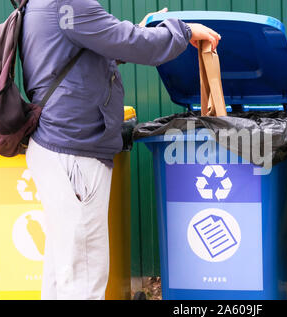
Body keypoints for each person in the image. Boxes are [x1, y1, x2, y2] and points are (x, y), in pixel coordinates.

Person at [21, 0, 220, 300]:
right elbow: (131, 43)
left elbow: (98, 47)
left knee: (64, 271)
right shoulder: (68, 3)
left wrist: (140, 32)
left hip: (56, 147)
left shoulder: (40, 4)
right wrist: (185, 31)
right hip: (75, 153)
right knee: (84, 276)